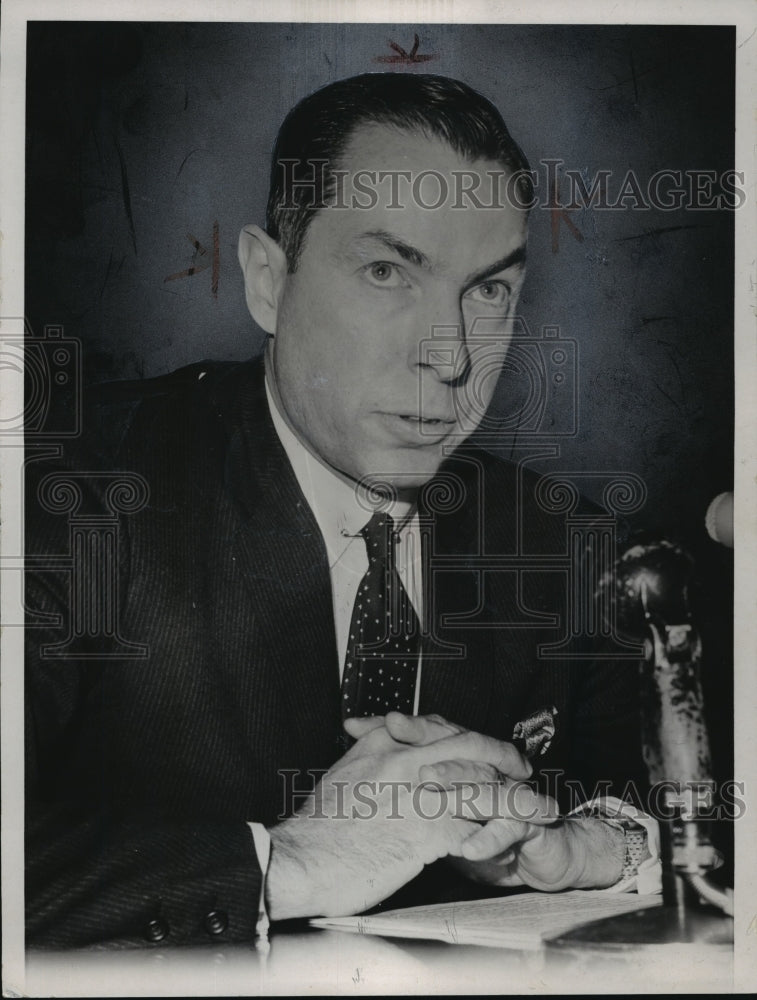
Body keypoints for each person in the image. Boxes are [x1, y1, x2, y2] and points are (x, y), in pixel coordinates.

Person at [24, 72, 657, 949]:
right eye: (387, 270)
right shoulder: (65, 493)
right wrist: (284, 863)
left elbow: (686, 795)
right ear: (266, 282)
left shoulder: (566, 543)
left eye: (488, 291)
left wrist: (600, 844)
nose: (449, 358)